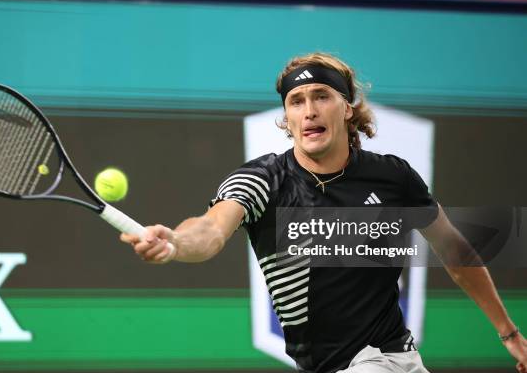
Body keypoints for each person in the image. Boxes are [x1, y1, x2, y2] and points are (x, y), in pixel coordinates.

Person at [120, 52, 527, 373]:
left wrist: (508, 333)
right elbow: (210, 230)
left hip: (384, 360)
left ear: (347, 108)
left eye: (321, 96)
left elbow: (456, 252)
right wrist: (174, 241)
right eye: (296, 102)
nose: (309, 110)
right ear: (287, 118)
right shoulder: (263, 179)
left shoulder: (392, 178)